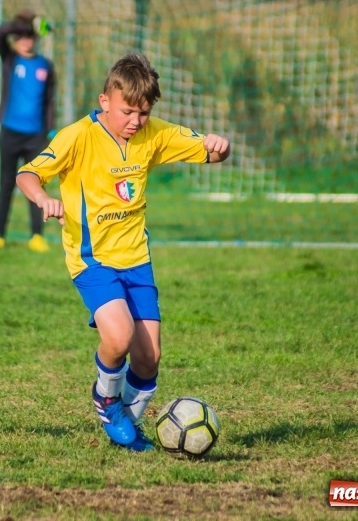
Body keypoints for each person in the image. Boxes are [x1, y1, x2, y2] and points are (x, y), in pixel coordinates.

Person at [15, 53, 230, 450]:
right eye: (127, 111)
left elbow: (209, 152)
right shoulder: (77, 136)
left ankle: (127, 423)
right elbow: (27, 173)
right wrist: (43, 198)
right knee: (119, 337)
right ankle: (107, 401)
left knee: (149, 358)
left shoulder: (152, 135)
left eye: (144, 113)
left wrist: (220, 145)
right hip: (92, 259)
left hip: (137, 261)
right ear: (105, 101)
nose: (135, 121)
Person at [0, 10, 56, 253]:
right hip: (10, 132)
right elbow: (0, 32)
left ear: (36, 38)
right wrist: (28, 23)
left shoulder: (45, 65)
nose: (26, 40)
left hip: (36, 136)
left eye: (30, 36)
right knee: (6, 183)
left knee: (36, 185)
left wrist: (50, 130)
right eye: (22, 36)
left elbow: (49, 101)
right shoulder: (9, 59)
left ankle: (37, 236)